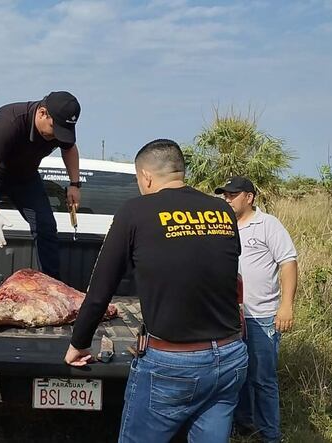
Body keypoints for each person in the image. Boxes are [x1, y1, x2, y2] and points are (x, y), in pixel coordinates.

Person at [65, 139, 248, 443]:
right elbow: (227, 273)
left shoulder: (136, 211)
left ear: (146, 176)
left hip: (172, 366)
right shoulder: (222, 210)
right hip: (229, 358)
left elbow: (101, 289)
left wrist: (79, 342)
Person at [0, 91, 82, 306]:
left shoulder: (59, 128)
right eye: (55, 130)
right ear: (43, 113)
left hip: (25, 177)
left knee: (46, 225)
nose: (56, 137)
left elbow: (69, 149)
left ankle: (51, 288)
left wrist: (74, 184)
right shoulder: (10, 121)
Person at [217, 176, 298, 443]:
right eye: (225, 195)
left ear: (249, 197)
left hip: (261, 317)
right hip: (229, 317)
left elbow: (288, 263)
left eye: (232, 195)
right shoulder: (222, 226)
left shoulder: (268, 225)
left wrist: (285, 306)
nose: (227, 199)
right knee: (234, 376)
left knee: (262, 379)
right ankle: (243, 425)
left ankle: (270, 435)